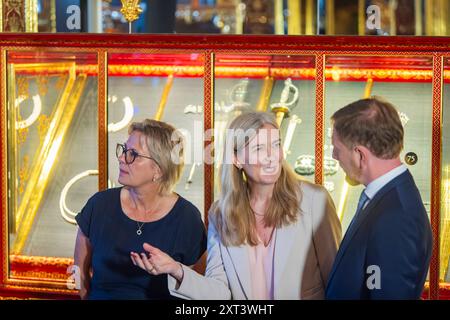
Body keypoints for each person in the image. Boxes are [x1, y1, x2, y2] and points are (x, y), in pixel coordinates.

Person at [130, 111, 341, 299]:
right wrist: (175, 269)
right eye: (259, 148)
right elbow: (219, 291)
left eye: (276, 145)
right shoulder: (221, 213)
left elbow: (337, 279)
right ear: (237, 159)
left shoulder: (315, 200)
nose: (272, 157)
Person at [74, 119, 207, 300]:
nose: (121, 158)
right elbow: (80, 274)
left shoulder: (187, 218)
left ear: (159, 169)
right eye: (123, 150)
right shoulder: (99, 205)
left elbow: (200, 285)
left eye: (133, 154)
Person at [325, 96, 433, 300]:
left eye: (337, 149)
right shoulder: (390, 197)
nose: (334, 156)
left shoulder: (396, 218)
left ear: (360, 155)